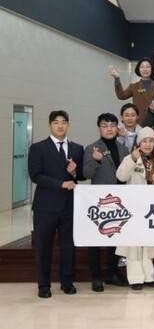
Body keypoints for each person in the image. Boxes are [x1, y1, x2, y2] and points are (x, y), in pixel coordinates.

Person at [28, 110, 84, 298]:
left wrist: (75, 173)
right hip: (45, 207)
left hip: (69, 206)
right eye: (56, 122)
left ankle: (67, 282)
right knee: (44, 247)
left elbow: (81, 175)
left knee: (68, 246)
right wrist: (61, 184)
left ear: (68, 125)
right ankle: (43, 285)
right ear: (49, 125)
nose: (60, 126)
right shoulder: (38, 148)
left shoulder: (77, 148)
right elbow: (36, 175)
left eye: (63, 122)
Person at [83, 113, 129, 292]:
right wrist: (96, 160)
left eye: (112, 125)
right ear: (99, 128)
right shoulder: (91, 148)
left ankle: (112, 273)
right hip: (100, 202)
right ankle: (96, 277)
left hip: (119, 201)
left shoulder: (123, 148)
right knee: (95, 241)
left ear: (117, 127)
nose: (109, 129)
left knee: (115, 238)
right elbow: (86, 174)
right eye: (105, 125)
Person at [115, 127, 154, 290]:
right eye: (144, 141)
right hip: (134, 207)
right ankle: (135, 278)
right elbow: (121, 176)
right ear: (138, 143)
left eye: (151, 141)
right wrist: (132, 159)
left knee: (149, 244)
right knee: (134, 245)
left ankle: (149, 276)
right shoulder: (130, 158)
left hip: (152, 209)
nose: (148, 144)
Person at [109, 58, 154, 124]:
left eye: (148, 67)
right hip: (139, 121)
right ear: (138, 70)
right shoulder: (134, 86)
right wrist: (117, 78)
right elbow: (121, 96)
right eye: (142, 67)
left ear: (151, 69)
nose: (145, 69)